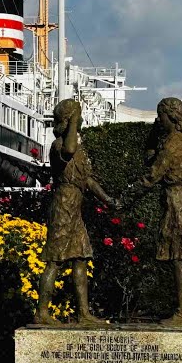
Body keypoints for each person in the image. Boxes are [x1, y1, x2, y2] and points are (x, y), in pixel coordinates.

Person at [34, 99, 117, 325]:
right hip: (63, 207)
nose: (81, 121)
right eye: (77, 117)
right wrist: (72, 120)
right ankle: (42, 313)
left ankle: (84, 313)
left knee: (80, 258)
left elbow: (87, 180)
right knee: (55, 261)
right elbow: (68, 150)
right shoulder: (60, 144)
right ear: (69, 120)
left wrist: (108, 200)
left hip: (74, 209)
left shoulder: (78, 147)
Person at [140, 97, 182, 327]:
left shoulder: (172, 145)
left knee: (179, 258)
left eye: (160, 116)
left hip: (176, 203)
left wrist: (122, 198)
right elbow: (152, 156)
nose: (158, 120)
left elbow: (152, 174)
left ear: (170, 117)